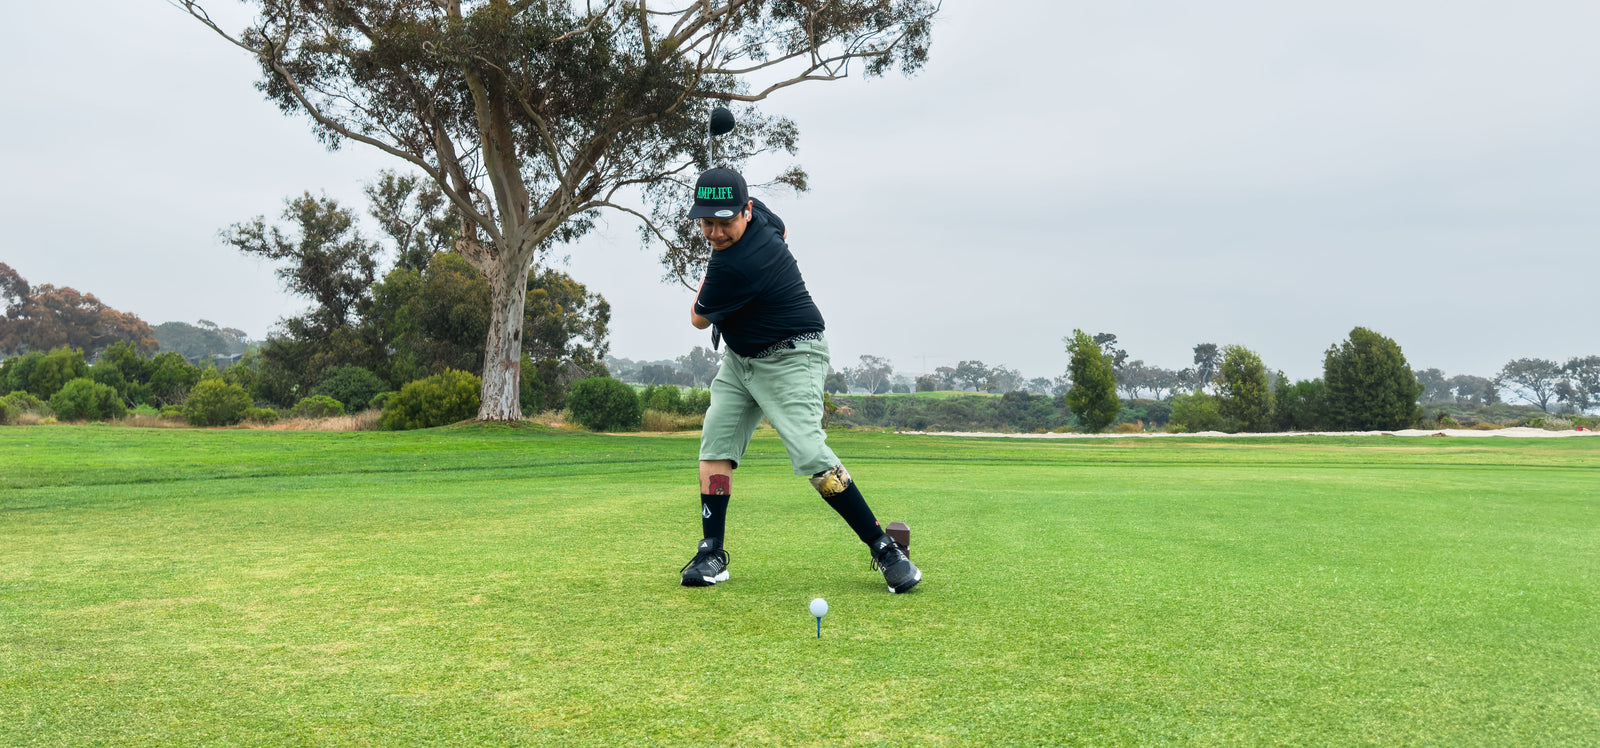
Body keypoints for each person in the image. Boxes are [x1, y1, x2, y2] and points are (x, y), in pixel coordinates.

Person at [677, 167, 921, 594]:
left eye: (725, 222)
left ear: (746, 211)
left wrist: (715, 257)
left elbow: (698, 318)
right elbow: (783, 227)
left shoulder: (737, 262)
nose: (715, 232)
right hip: (741, 358)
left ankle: (885, 549)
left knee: (810, 451)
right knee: (715, 444)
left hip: (793, 354)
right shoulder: (765, 217)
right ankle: (711, 551)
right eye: (706, 222)